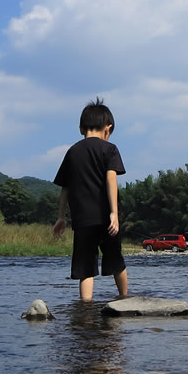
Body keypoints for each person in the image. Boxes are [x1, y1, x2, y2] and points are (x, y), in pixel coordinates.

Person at [53, 98, 128, 302]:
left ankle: (85, 310)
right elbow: (111, 179)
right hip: (106, 218)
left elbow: (65, 188)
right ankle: (124, 299)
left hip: (82, 219)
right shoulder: (109, 149)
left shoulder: (72, 152)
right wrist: (114, 213)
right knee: (115, 261)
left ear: (81, 128)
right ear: (108, 128)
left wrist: (61, 217)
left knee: (85, 268)